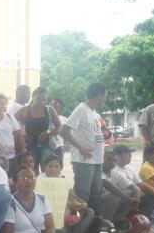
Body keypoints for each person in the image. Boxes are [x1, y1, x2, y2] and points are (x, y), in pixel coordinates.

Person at [61, 82, 108, 216]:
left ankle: (92, 226)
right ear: (99, 95)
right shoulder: (81, 109)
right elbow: (65, 131)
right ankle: (79, 227)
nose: (106, 98)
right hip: (84, 161)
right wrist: (80, 148)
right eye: (105, 95)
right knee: (82, 195)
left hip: (96, 161)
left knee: (96, 194)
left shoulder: (94, 112)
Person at [41, 155, 94, 233]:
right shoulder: (40, 180)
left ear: (60, 168)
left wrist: (83, 203)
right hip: (49, 211)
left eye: (57, 167)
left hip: (67, 207)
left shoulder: (63, 179)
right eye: (50, 166)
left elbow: (72, 194)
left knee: (89, 211)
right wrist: (69, 204)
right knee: (66, 210)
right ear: (45, 167)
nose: (53, 169)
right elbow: (44, 201)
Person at [14, 87, 62, 175]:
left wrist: (48, 132)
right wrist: (22, 136)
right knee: (32, 171)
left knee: (48, 171)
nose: (42, 102)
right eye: (39, 99)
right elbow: (10, 124)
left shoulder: (49, 110)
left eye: (44, 100)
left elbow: (59, 127)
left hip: (46, 145)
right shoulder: (24, 110)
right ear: (33, 97)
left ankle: (47, 188)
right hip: (30, 146)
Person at [100, 151, 140, 231]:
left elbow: (135, 188)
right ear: (102, 159)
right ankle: (104, 223)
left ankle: (118, 220)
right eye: (109, 160)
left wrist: (136, 203)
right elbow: (109, 186)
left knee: (130, 192)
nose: (112, 163)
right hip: (96, 202)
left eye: (115, 161)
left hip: (110, 203)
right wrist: (129, 199)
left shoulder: (114, 172)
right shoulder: (97, 171)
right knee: (114, 196)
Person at [48, 99, 67, 167]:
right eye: (51, 104)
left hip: (59, 146)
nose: (51, 106)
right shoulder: (45, 117)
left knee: (58, 166)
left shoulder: (64, 119)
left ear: (60, 109)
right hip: (48, 146)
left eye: (55, 105)